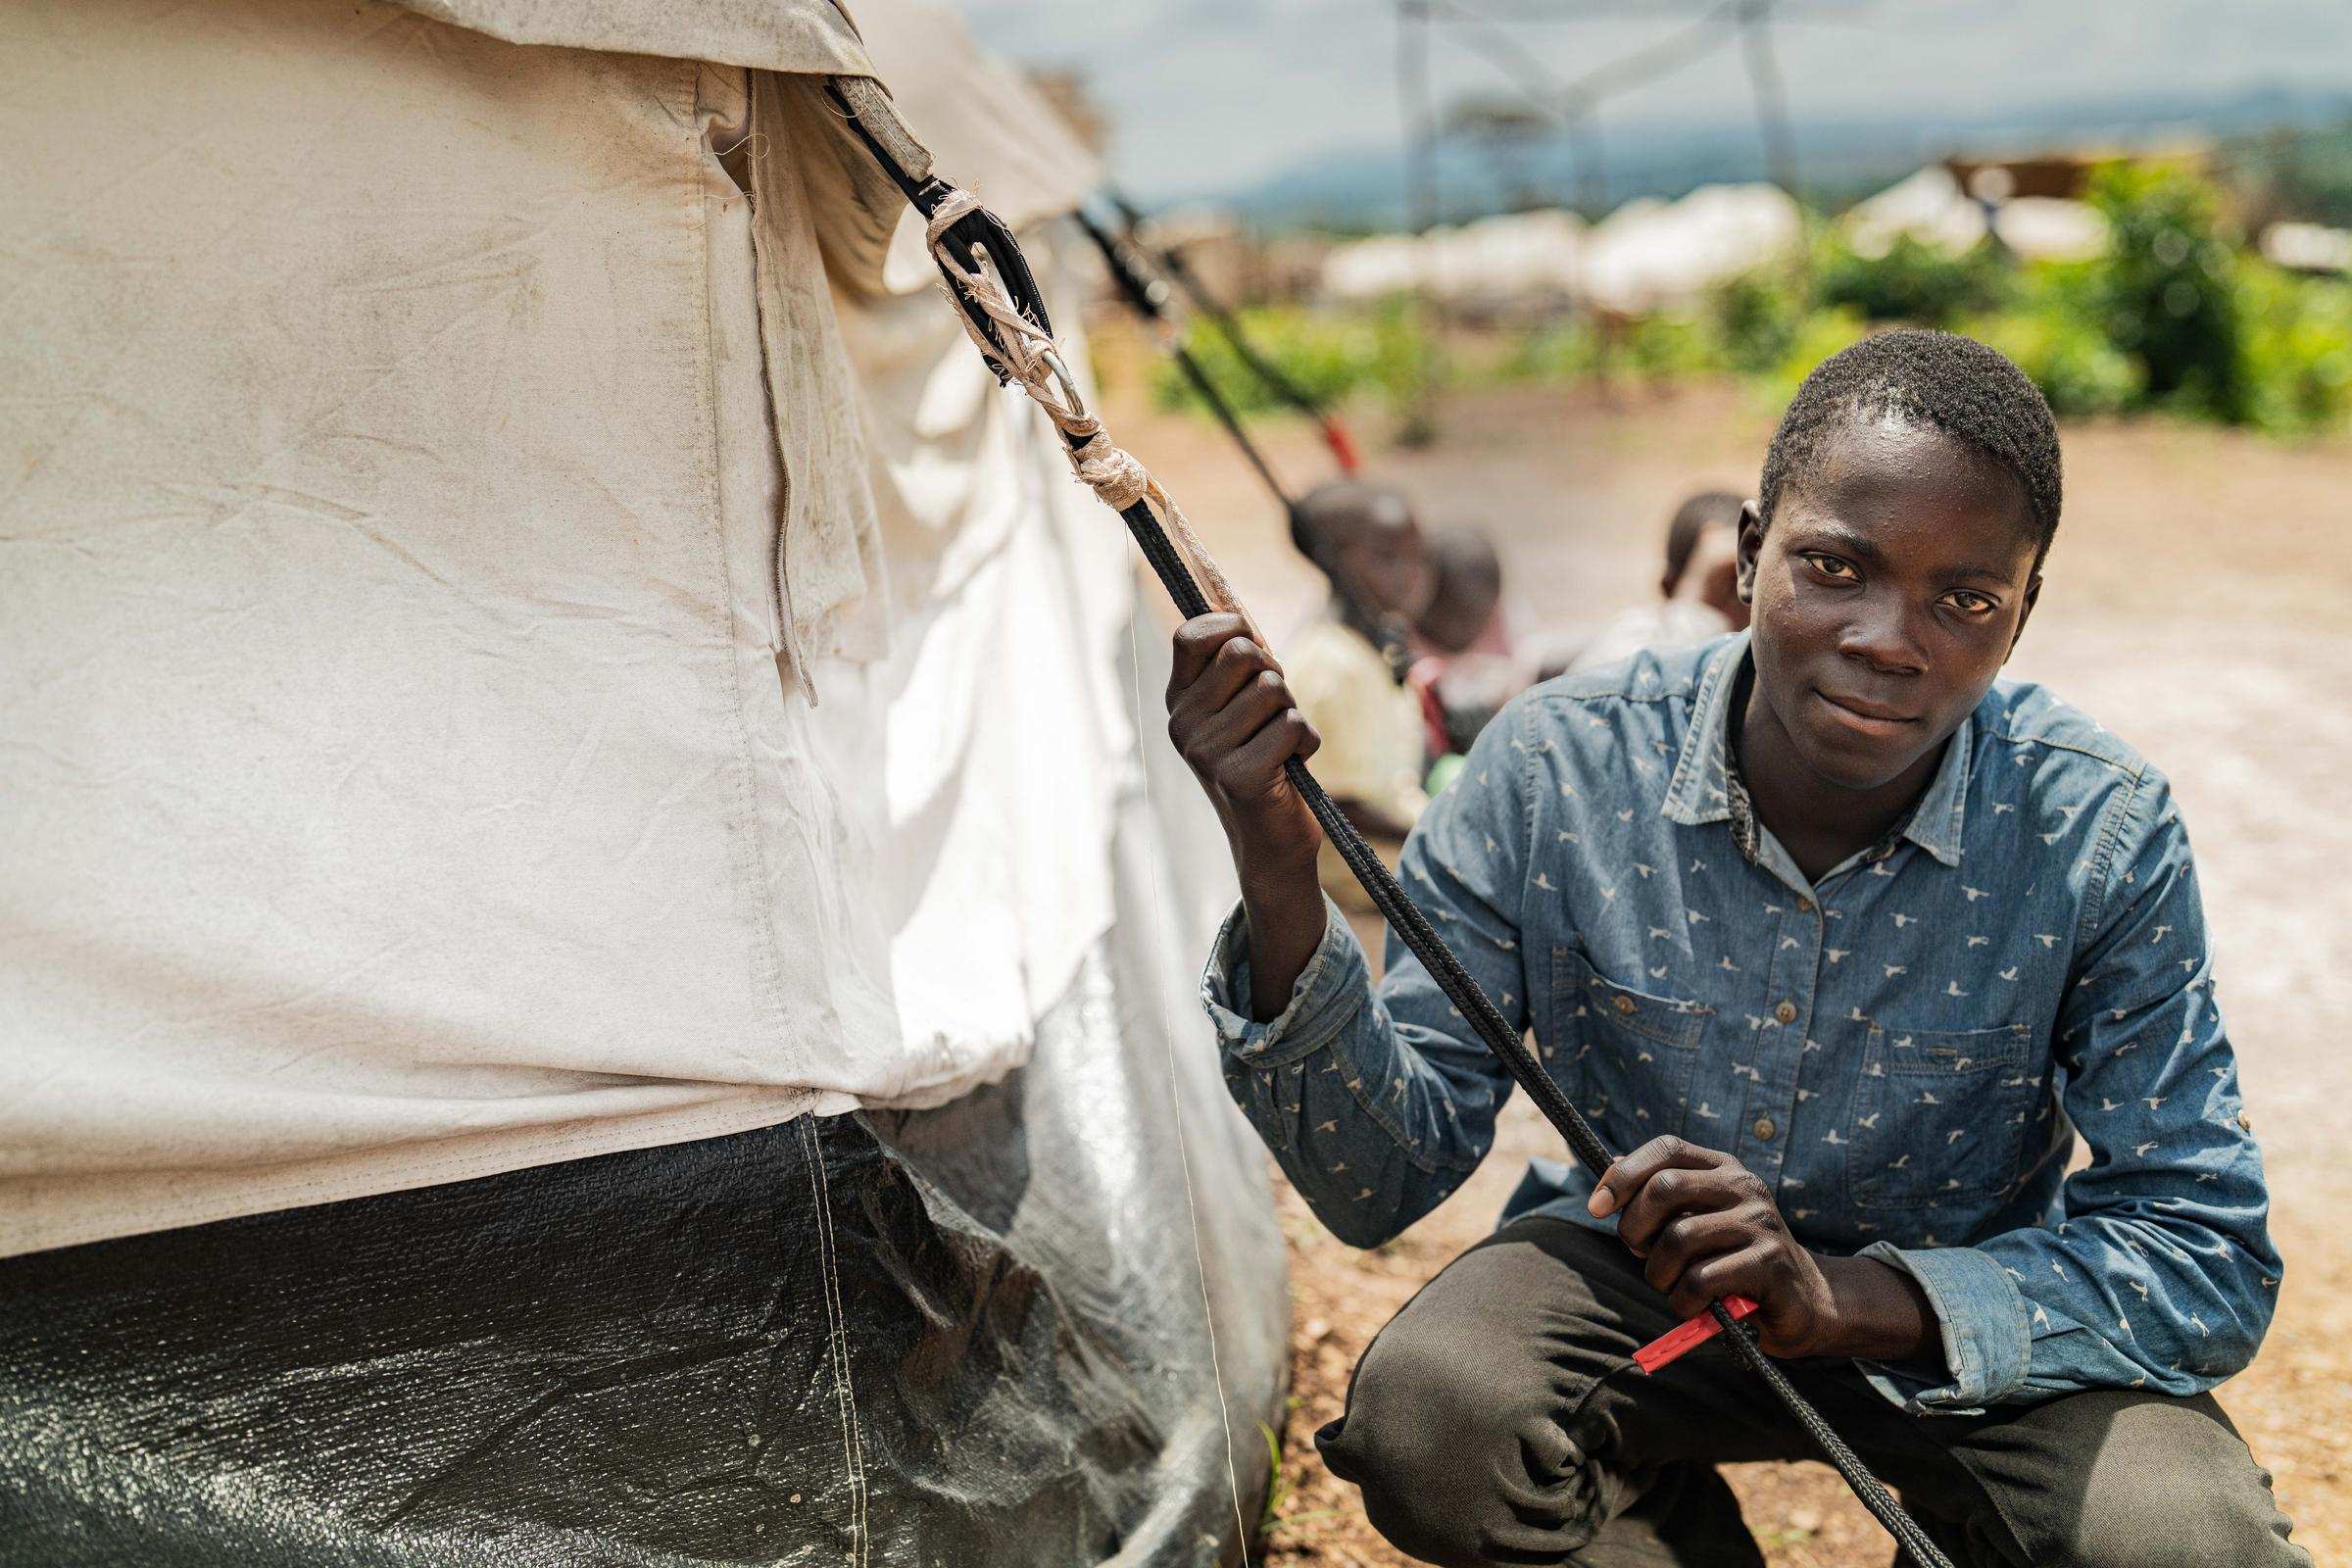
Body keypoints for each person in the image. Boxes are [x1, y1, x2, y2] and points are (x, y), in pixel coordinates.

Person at [1163, 328, 2302, 1566]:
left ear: (2022, 616)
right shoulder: (1558, 768)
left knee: (2186, 1538)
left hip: (1956, 1322)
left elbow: (2203, 1249)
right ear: (1751, 551)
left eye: (1966, 599)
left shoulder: (2094, 828)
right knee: (1438, 1421)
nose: (1889, 637)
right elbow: (1378, 1178)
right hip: (1641, 1292)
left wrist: (1854, 1298)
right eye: (1836, 566)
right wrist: (1278, 867)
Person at [1277, 479, 1439, 866]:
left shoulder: (1381, 644)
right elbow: (1338, 806)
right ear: (1334, 561)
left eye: (1417, 556)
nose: (1410, 574)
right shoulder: (1330, 665)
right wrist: (1438, 838)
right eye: (1388, 558)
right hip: (1369, 877)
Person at [1569, 488, 1750, 674]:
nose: (1743, 598)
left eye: (1749, 579)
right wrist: (1695, 608)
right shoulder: (1635, 633)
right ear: (1669, 587)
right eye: (1726, 588)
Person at [1411, 527, 1530, 770]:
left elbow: (1522, 675)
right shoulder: (1404, 641)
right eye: (1454, 617)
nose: (1467, 629)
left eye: (1478, 618)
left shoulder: (1504, 621)